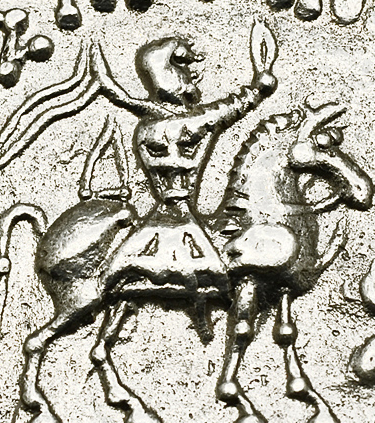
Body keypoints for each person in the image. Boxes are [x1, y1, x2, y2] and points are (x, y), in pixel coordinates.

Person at [89, 31, 277, 302]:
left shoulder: (149, 126)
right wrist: (258, 89)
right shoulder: (191, 122)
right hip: (179, 210)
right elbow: (232, 107)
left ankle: (110, 282)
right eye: (184, 72)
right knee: (219, 277)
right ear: (171, 78)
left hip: (169, 205)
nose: (190, 78)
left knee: (127, 260)